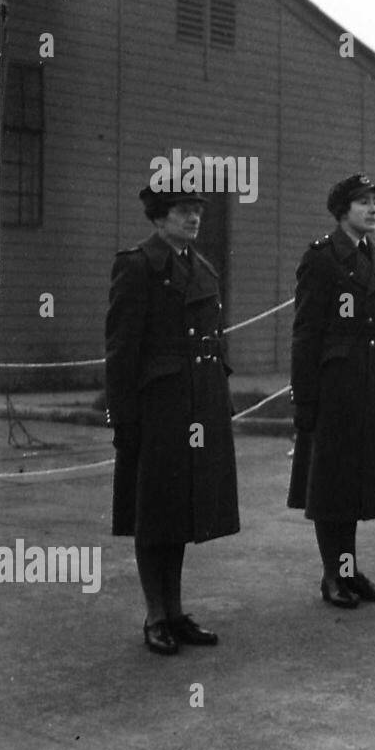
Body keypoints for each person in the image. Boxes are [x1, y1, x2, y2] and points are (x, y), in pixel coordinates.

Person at [106, 186, 240, 655]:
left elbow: (215, 342)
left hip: (198, 404)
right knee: (154, 510)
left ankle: (176, 612)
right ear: (159, 218)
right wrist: (120, 416)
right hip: (157, 406)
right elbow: (122, 349)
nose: (194, 219)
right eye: (184, 211)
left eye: (197, 211)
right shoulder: (138, 265)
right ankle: (155, 616)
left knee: (182, 509)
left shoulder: (201, 268)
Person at [288, 173, 375, 608]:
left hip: (373, 379)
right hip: (336, 383)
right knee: (333, 485)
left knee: (357, 482)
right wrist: (305, 399)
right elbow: (305, 332)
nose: (372, 208)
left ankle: (348, 571)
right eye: (362, 202)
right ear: (342, 212)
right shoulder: (322, 259)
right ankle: (333, 575)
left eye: (374, 201)